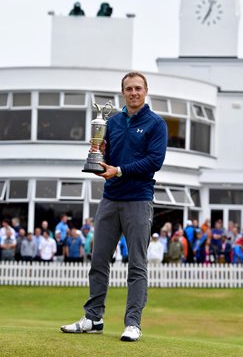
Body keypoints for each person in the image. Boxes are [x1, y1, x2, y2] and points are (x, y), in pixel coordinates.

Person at [61, 71, 167, 341]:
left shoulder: (156, 124)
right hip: (110, 198)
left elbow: (154, 162)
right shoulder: (114, 121)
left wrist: (119, 170)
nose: (133, 93)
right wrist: (98, 153)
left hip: (139, 200)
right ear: (123, 92)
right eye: (129, 88)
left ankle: (133, 323)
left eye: (138, 88)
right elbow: (107, 161)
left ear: (146, 91)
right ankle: (93, 318)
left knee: (137, 265)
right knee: (98, 260)